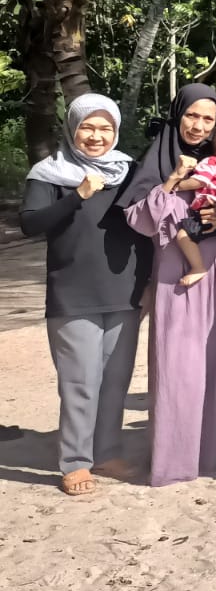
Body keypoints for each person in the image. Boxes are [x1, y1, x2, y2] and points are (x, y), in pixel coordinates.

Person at [20, 94, 148, 495]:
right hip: (72, 293)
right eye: (87, 128)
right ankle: (75, 461)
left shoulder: (129, 171)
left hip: (123, 292)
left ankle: (107, 452)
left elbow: (144, 230)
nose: (96, 136)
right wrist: (78, 195)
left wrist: (145, 286)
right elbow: (30, 224)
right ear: (73, 129)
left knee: (115, 380)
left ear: (116, 129)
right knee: (79, 382)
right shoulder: (50, 173)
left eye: (105, 128)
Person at [119, 83, 216, 487]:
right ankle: (176, 458)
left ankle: (214, 452)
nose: (199, 125)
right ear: (177, 115)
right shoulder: (159, 158)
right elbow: (139, 218)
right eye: (192, 115)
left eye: (208, 118)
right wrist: (171, 182)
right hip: (176, 275)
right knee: (178, 366)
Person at [171, 122, 216, 288]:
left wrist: (178, 184)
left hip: (205, 213)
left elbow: (199, 181)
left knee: (183, 236)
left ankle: (198, 267)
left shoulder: (210, 162)